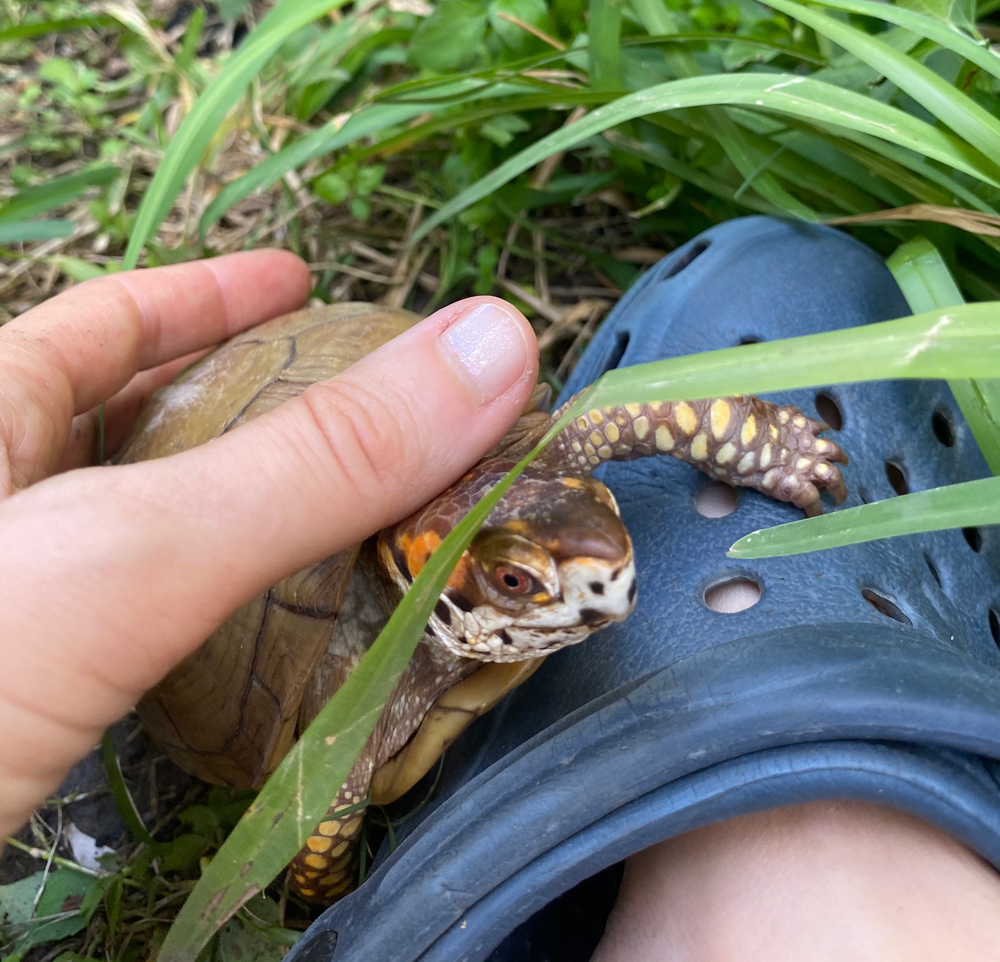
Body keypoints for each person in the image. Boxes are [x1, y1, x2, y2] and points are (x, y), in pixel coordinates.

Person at [2, 249, 1000, 961]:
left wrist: (758, 442)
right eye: (522, 580)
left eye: (592, 541)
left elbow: (624, 418)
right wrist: (316, 878)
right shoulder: (365, 705)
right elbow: (325, 794)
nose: (602, 577)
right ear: (435, 578)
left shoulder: (551, 459)